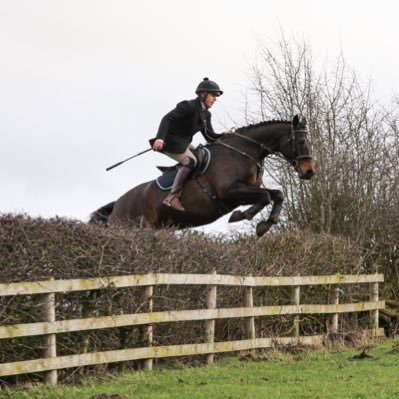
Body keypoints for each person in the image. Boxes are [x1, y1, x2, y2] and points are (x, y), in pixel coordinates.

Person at [152, 77, 225, 212]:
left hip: (183, 143)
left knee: (200, 154)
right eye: (213, 95)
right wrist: (160, 138)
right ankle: (172, 197)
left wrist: (226, 135)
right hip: (170, 142)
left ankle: (178, 175)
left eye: (216, 96)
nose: (215, 99)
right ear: (203, 95)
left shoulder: (206, 115)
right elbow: (167, 118)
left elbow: (210, 136)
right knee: (190, 161)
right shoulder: (188, 106)